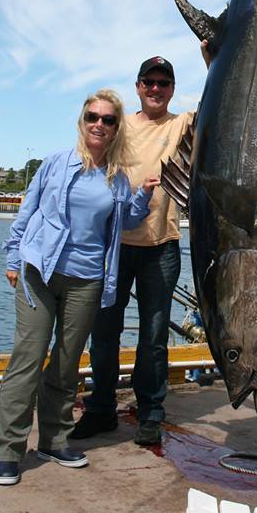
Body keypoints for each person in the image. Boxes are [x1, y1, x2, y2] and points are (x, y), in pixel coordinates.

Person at [0, 90, 157, 486]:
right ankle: (8, 450)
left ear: (117, 128)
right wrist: (14, 258)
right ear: (82, 121)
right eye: (92, 117)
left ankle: (53, 439)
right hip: (40, 274)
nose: (99, 124)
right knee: (28, 359)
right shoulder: (54, 163)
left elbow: (127, 222)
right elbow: (27, 210)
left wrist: (145, 193)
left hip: (87, 280)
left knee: (66, 365)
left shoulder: (117, 178)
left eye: (108, 119)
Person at [72, 57, 194, 446]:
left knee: (154, 336)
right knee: (103, 334)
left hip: (162, 246)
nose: (156, 88)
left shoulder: (183, 124)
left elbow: (220, 100)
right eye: (149, 82)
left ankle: (150, 412)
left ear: (172, 89)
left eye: (163, 82)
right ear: (138, 86)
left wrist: (213, 57)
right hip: (113, 248)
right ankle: (100, 409)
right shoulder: (117, 126)